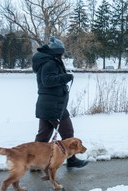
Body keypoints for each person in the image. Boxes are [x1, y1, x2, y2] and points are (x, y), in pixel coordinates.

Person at [32, 36, 88, 169]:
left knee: (43, 136)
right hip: (54, 106)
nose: (63, 54)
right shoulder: (50, 63)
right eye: (62, 52)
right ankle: (72, 160)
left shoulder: (47, 61)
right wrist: (66, 77)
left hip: (48, 104)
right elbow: (48, 81)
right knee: (68, 132)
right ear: (57, 52)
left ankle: (34, 163)